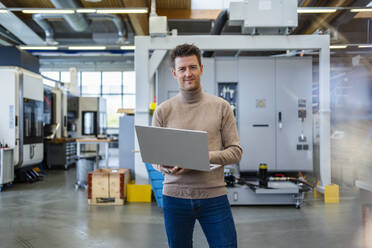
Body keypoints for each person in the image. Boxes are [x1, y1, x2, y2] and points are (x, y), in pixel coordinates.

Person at [152, 43, 242, 248]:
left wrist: (202, 157)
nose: (188, 74)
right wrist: (164, 166)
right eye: (182, 69)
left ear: (201, 69)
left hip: (213, 197)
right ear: (174, 73)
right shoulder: (163, 111)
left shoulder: (221, 107)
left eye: (192, 67)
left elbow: (236, 152)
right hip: (174, 198)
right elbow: (154, 157)